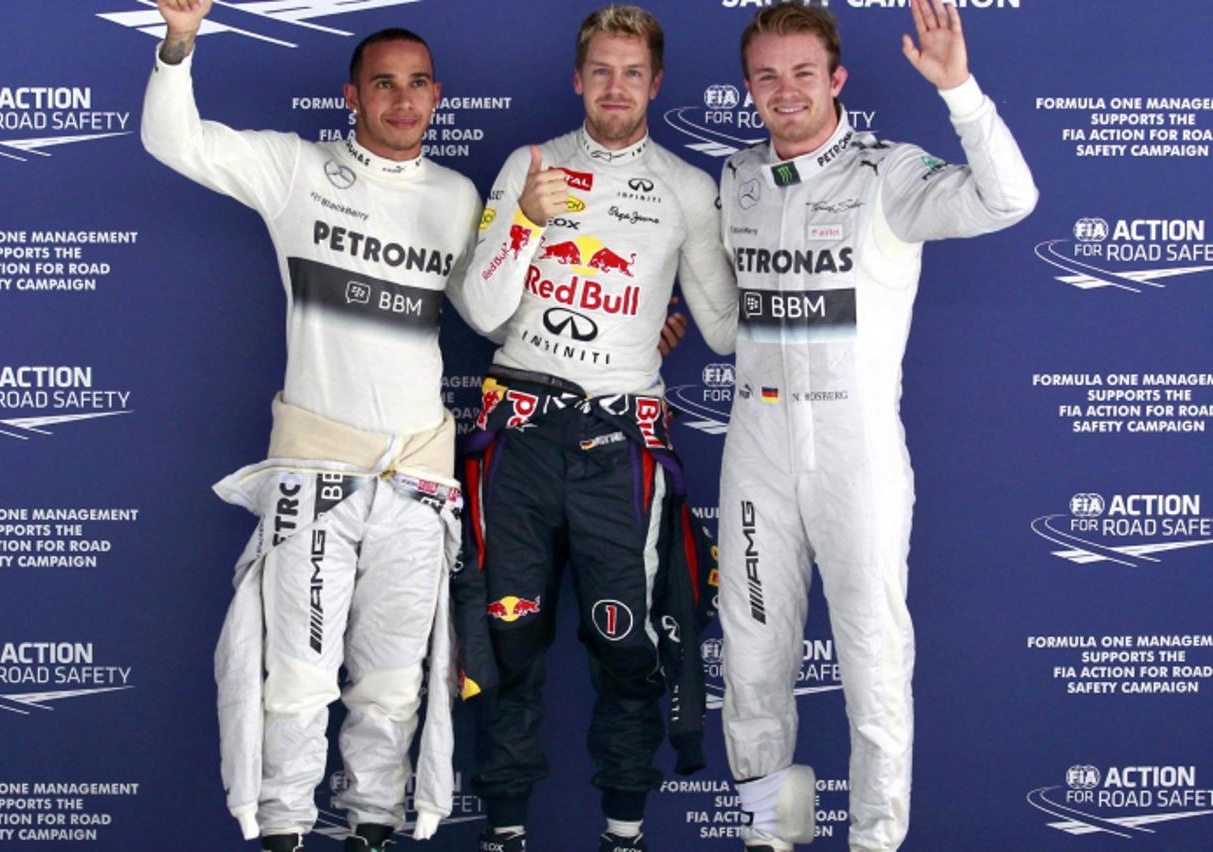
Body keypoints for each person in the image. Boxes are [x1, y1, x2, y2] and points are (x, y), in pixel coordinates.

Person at [141, 2, 482, 850]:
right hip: (316, 474)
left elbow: (489, 304)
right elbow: (173, 142)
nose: (402, 101)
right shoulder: (296, 170)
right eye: (383, 85)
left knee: (395, 686)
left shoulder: (455, 196)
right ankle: (287, 828)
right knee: (296, 679)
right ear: (352, 97)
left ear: (436, 95)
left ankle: (372, 826)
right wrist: (180, 45)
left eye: (416, 85)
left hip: (419, 478)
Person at [715, 2, 1037, 850]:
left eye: (803, 74)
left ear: (837, 80)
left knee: (872, 663)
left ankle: (873, 843)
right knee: (751, 668)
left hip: (854, 453)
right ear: (748, 86)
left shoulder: (887, 173)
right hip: (755, 450)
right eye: (768, 76)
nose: (786, 93)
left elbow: (1010, 198)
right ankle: (769, 841)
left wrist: (959, 90)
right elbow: (730, 314)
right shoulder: (736, 177)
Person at [453, 6, 737, 852]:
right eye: (602, 72)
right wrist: (526, 224)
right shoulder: (528, 164)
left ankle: (624, 831)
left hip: (622, 447)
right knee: (506, 643)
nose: (617, 87)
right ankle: (504, 830)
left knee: (628, 646)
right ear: (578, 79)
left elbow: (724, 330)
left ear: (656, 82)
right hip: (522, 435)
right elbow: (479, 310)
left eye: (633, 72)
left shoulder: (688, 188)